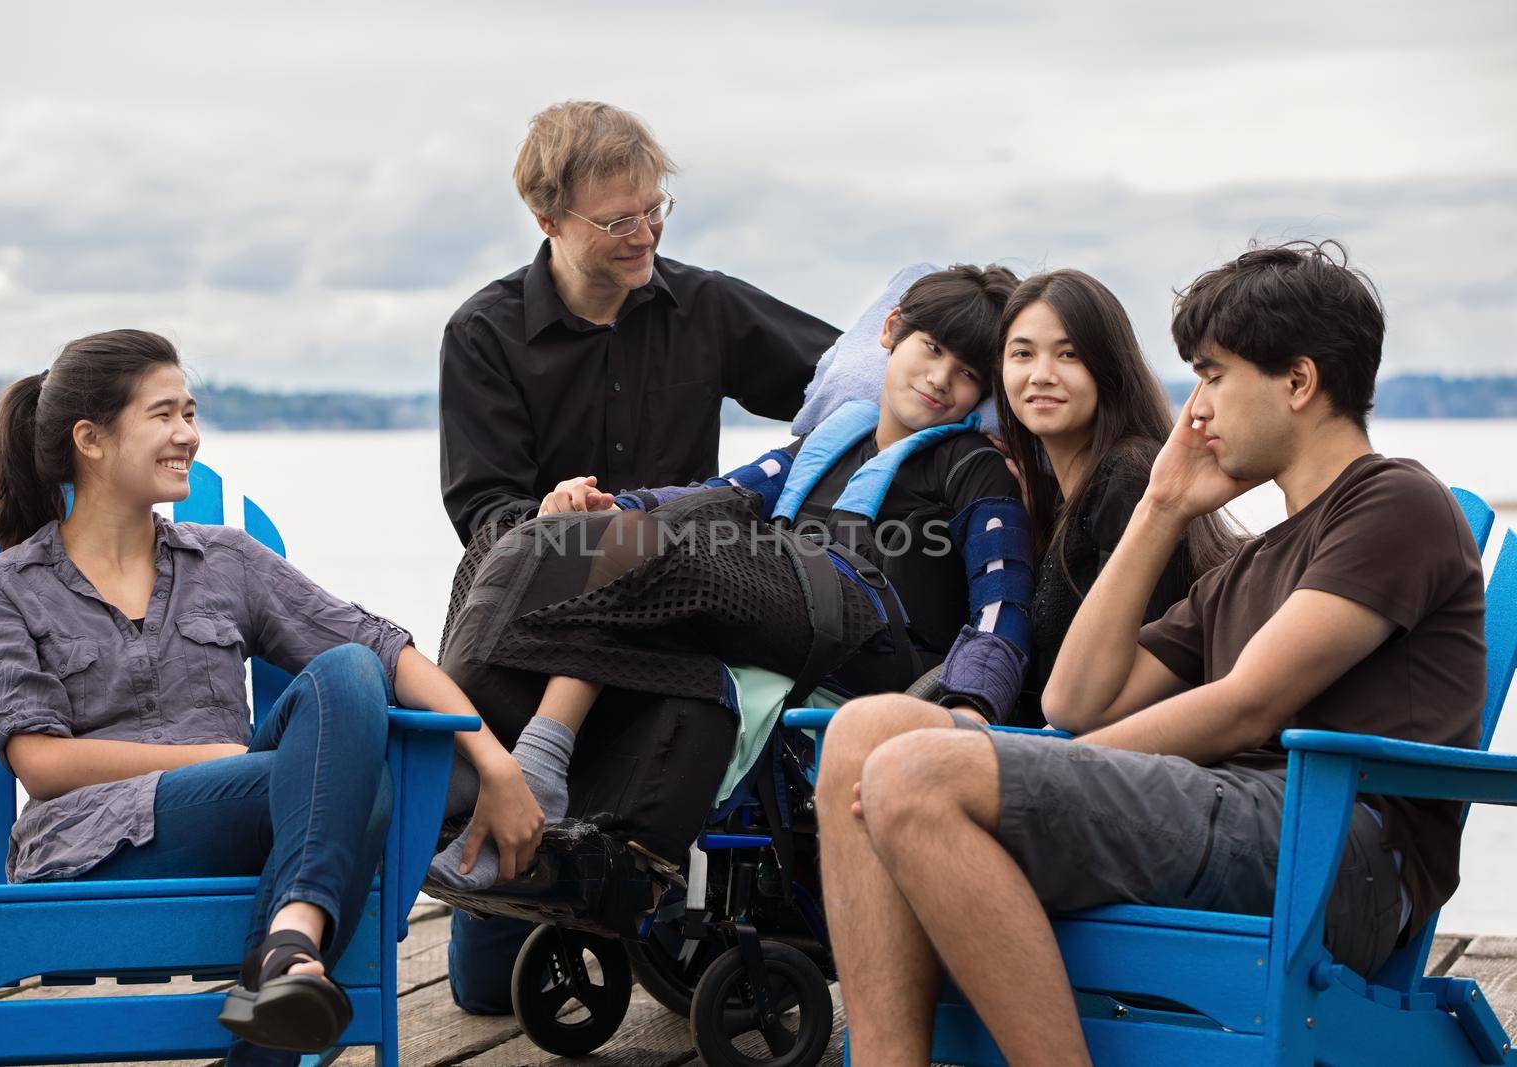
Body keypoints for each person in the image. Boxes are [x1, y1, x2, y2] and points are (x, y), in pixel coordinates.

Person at [816, 241, 1485, 1066]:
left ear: (1299, 383)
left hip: (1336, 852)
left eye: (1213, 374)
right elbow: (1076, 700)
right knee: (864, 735)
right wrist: (1162, 506)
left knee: (916, 770)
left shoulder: (1392, 501)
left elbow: (1251, 701)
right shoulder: (1252, 564)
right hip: (1228, 817)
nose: (1195, 408)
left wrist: (1039, 771)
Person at [0, 331, 545, 1066]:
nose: (189, 435)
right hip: (92, 846)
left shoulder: (226, 559)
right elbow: (40, 762)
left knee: (346, 669)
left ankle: (288, 943)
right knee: (362, 787)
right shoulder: (4, 587)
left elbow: (381, 647)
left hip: (252, 821)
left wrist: (495, 760)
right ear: (92, 439)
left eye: (191, 411)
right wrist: (209, 757)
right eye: (164, 414)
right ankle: (284, 966)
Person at [432, 264, 1030, 898]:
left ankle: (539, 769)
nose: (940, 380)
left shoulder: (976, 472)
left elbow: (1003, 612)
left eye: (968, 373)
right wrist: (614, 508)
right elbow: (723, 492)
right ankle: (469, 779)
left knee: (670, 550)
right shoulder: (827, 442)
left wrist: (969, 706)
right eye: (931, 349)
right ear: (890, 332)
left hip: (874, 642)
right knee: (524, 541)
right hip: (782, 610)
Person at [439, 99, 839, 546]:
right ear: (547, 219)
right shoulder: (482, 334)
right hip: (555, 591)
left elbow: (847, 384)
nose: (645, 236)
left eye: (653, 210)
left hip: (697, 583)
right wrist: (551, 516)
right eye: (618, 223)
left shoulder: (707, 305)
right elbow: (483, 510)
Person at [988, 270, 1240, 724]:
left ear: (1108, 368)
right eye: (1022, 354)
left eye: (1069, 355)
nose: (1041, 375)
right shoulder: (1061, 499)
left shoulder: (1131, 476)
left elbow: (1137, 684)